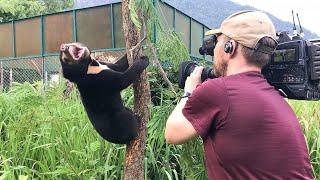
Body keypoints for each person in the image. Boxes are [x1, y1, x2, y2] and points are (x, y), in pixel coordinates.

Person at [165, 10, 314, 179]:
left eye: (218, 42)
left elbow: (172, 133)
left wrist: (189, 91)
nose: (214, 50)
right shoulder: (275, 96)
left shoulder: (219, 91)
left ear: (230, 47)